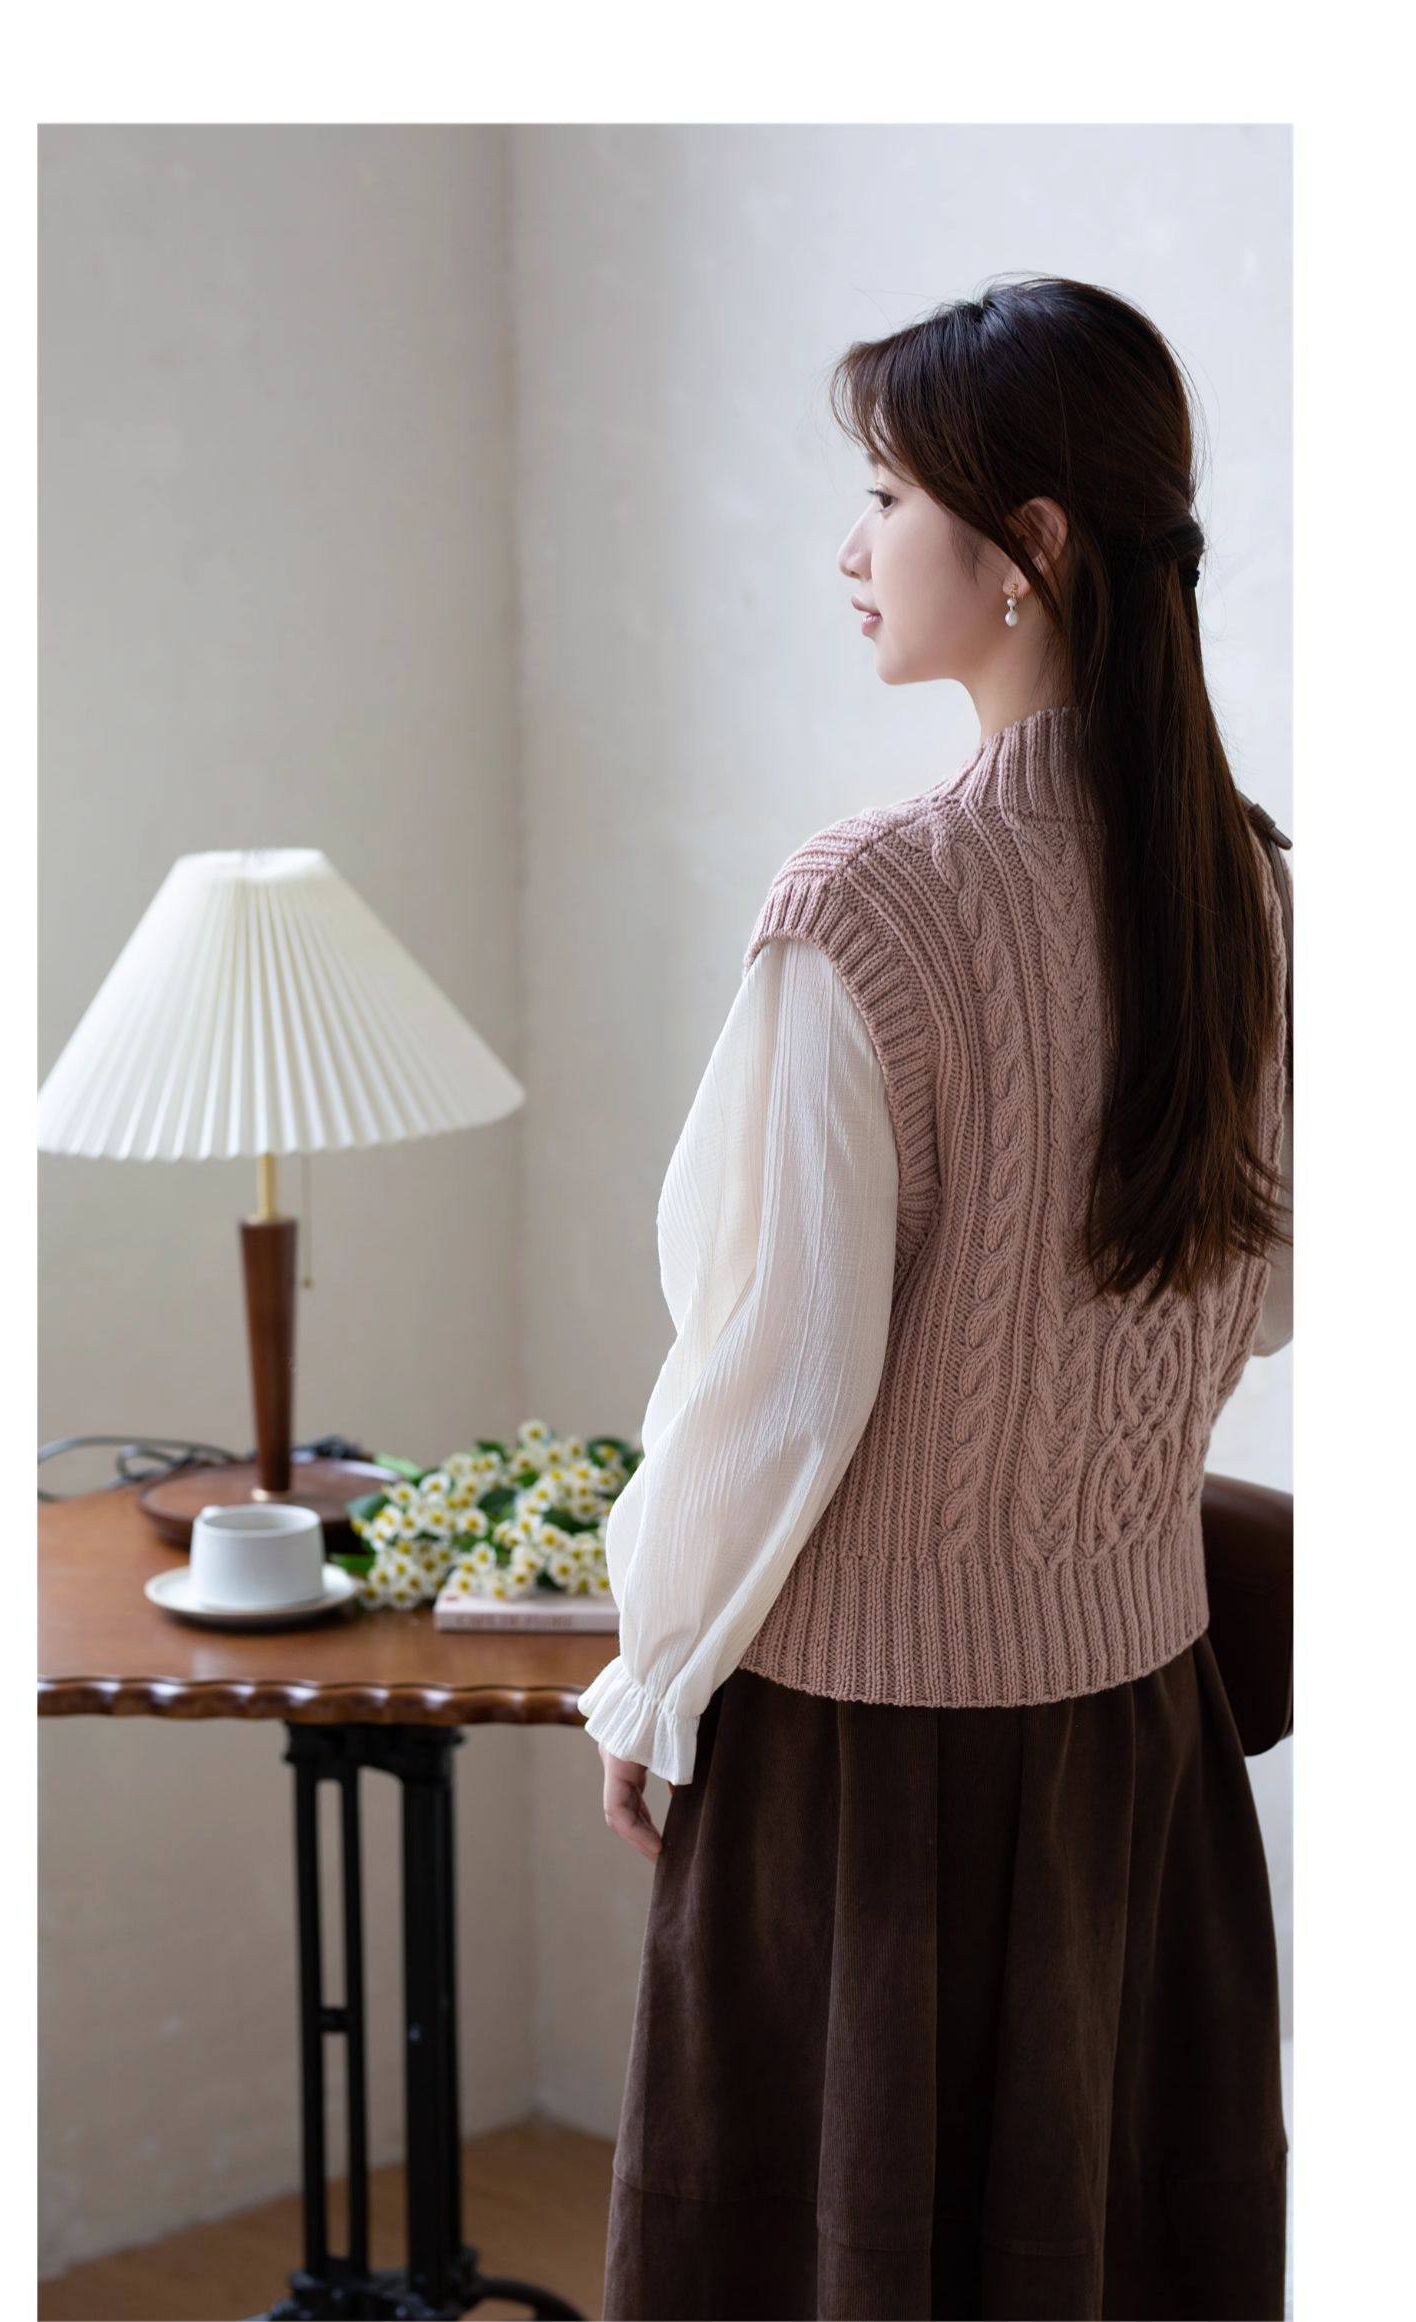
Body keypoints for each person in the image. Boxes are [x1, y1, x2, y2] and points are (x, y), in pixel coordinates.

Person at [575, 273, 1291, 2322]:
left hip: (861, 1766)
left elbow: (772, 1379)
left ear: (1029, 545)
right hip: (1139, 1735)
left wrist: (652, 1675)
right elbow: (1260, 1296)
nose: (851, 547)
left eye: (886, 496)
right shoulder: (1245, 883)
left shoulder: (871, 906)